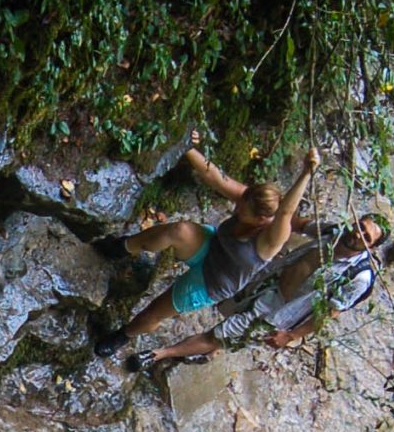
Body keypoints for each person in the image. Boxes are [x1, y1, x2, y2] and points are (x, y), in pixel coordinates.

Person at [106, 144, 322, 346]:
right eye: (241, 203)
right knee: (178, 230)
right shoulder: (248, 200)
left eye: (243, 211)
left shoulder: (270, 239)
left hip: (213, 282)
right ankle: (121, 248)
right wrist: (188, 145)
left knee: (153, 313)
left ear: (260, 219)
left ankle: (122, 336)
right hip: (211, 246)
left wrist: (306, 173)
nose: (237, 210)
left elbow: (285, 212)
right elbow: (215, 177)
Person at [142, 215, 389, 367]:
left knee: (216, 335)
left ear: (371, 246)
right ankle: (217, 347)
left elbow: (328, 312)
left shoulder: (358, 278)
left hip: (278, 313)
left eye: (365, 236)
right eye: (360, 226)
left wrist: (291, 336)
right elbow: (301, 224)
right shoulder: (334, 231)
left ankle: (160, 354)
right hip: (266, 280)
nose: (357, 234)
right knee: (226, 309)